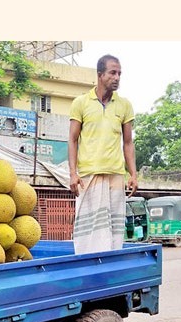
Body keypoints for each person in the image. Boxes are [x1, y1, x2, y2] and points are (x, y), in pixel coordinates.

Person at [68, 54, 138, 255]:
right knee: (87, 230)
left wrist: (133, 174)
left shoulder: (124, 105)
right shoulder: (81, 103)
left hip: (115, 175)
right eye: (112, 73)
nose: (117, 78)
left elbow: (128, 142)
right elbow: (72, 140)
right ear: (100, 75)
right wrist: (73, 173)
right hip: (89, 175)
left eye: (119, 74)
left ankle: (109, 269)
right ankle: (86, 268)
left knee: (113, 231)